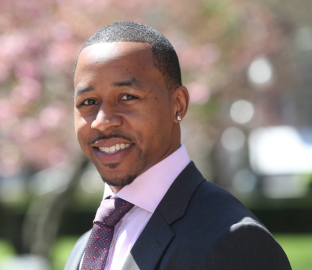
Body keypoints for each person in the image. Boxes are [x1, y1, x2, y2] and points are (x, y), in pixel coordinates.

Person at [64, 21, 291, 270]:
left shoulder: (233, 240)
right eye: (88, 101)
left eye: (127, 97)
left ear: (178, 104)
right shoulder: (85, 248)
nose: (103, 121)